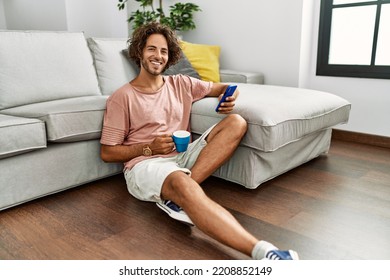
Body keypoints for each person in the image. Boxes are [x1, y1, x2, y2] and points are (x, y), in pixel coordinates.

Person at [100, 22, 298, 260]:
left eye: (164, 51)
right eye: (151, 49)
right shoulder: (122, 97)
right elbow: (108, 153)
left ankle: (178, 196)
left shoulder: (181, 83)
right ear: (140, 52)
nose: (158, 56)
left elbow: (226, 86)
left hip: (183, 155)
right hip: (145, 165)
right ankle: (266, 254)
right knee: (182, 185)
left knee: (237, 122)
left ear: (170, 56)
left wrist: (228, 97)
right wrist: (148, 148)